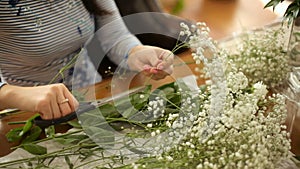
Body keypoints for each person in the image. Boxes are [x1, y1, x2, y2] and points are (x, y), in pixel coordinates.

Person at [0, 0, 174, 120]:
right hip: (27, 118)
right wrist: (12, 94)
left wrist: (138, 53)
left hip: (93, 102)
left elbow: (115, 37)